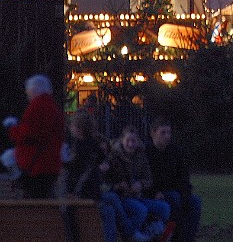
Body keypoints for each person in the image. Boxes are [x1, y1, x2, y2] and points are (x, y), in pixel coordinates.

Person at [105, 125, 172, 241]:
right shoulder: (114, 157)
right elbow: (107, 181)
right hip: (122, 197)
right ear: (122, 140)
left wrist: (141, 184)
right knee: (141, 210)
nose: (131, 144)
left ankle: (150, 231)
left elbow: (148, 178)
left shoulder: (141, 156)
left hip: (138, 195)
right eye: (128, 141)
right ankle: (130, 236)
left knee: (164, 208)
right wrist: (119, 186)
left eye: (133, 141)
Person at [2, 73, 62, 198]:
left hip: (36, 166)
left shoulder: (36, 107)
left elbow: (27, 134)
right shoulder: (53, 107)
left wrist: (12, 129)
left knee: (32, 201)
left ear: (33, 90)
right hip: (50, 163)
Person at [146, 116, 202, 242]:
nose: (167, 136)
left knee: (195, 202)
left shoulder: (175, 152)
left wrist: (185, 193)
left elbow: (183, 177)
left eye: (169, 132)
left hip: (176, 192)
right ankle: (173, 236)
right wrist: (153, 192)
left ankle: (187, 238)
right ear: (153, 133)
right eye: (163, 133)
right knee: (174, 199)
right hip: (156, 193)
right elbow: (144, 177)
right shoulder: (146, 153)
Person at [59, 108, 105, 242]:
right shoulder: (93, 145)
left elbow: (79, 172)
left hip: (83, 191)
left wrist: (74, 192)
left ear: (78, 129)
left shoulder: (79, 148)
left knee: (68, 214)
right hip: (92, 190)